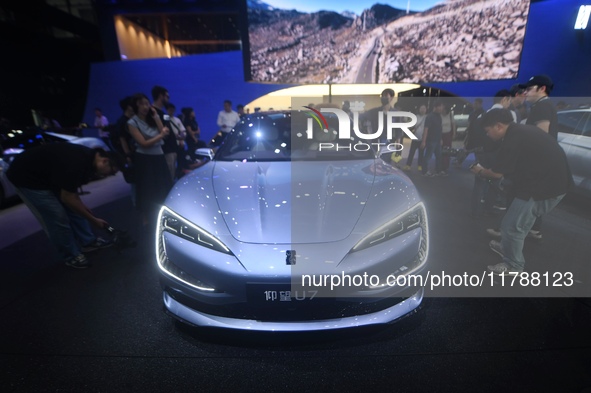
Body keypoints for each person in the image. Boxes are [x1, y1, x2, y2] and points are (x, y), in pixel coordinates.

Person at [470, 109, 572, 274]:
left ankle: (514, 265)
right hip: (545, 182)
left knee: (513, 227)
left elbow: (496, 173)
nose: (487, 135)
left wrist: (480, 171)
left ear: (498, 126)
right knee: (515, 223)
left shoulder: (513, 138)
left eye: (487, 131)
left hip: (544, 188)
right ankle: (507, 247)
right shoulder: (521, 130)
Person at [6, 144, 121, 268]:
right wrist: (93, 220)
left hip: (48, 176)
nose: (109, 175)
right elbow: (68, 198)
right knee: (57, 216)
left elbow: (71, 191)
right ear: (105, 161)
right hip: (27, 178)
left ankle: (88, 242)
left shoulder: (88, 159)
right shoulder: (76, 163)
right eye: (112, 172)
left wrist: (83, 209)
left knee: (76, 209)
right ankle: (71, 256)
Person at [127, 93, 172, 227]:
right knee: (147, 189)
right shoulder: (132, 122)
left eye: (147, 103)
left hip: (159, 156)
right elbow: (143, 143)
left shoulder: (152, 119)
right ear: (135, 105)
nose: (145, 107)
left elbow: (164, 133)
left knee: (163, 186)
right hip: (144, 159)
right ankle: (146, 216)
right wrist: (161, 135)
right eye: (141, 104)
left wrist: (156, 116)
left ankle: (164, 214)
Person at [151, 86, 177, 182]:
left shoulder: (163, 112)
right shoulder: (153, 112)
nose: (168, 99)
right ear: (160, 96)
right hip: (165, 150)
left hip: (171, 149)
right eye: (167, 96)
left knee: (171, 175)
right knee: (167, 178)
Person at [421, 100, 445, 177]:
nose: (442, 109)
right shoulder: (430, 117)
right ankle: (424, 172)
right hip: (431, 140)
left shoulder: (439, 117)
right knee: (428, 156)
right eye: (440, 107)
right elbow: (426, 129)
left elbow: (440, 128)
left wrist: (440, 139)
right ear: (436, 107)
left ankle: (438, 170)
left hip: (437, 140)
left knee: (439, 156)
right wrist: (424, 141)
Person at [165, 102, 187, 180]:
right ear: (167, 110)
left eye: (173, 110)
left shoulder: (177, 119)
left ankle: (179, 176)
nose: (171, 112)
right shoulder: (165, 118)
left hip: (179, 143)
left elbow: (183, 131)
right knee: (171, 164)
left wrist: (181, 139)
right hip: (171, 144)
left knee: (180, 161)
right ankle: (171, 179)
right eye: (170, 110)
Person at [403, 104, 426, 171]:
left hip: (422, 138)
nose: (422, 110)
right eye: (421, 108)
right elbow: (411, 125)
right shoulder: (416, 117)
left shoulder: (427, 118)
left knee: (421, 152)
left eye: (424, 108)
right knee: (411, 152)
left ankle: (420, 165)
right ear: (419, 109)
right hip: (415, 137)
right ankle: (408, 165)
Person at [440, 104, 456, 173]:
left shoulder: (450, 115)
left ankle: (445, 166)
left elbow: (453, 124)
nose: (443, 111)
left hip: (448, 134)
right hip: (440, 134)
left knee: (447, 150)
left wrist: (454, 133)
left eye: (444, 109)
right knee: (440, 151)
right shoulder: (439, 115)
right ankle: (439, 166)